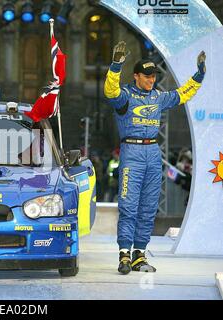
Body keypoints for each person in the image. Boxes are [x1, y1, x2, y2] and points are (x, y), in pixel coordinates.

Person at [104, 41, 206, 274]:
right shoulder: (125, 96)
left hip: (153, 153)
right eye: (147, 76)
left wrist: (199, 75)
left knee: (149, 207)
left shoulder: (158, 97)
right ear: (137, 76)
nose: (152, 80)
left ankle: (140, 254)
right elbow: (110, 91)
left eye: (154, 76)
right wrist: (116, 65)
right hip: (131, 152)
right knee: (129, 206)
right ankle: (124, 256)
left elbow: (183, 94)